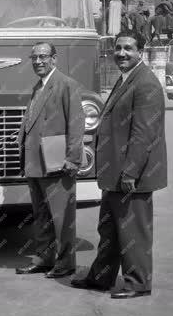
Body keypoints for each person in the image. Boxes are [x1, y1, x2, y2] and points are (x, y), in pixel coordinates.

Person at [72, 33, 167, 299]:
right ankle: (101, 277)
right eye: (118, 48)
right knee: (110, 229)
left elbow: (144, 134)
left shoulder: (145, 83)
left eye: (128, 49)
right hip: (115, 173)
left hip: (130, 175)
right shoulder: (128, 79)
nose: (122, 53)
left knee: (133, 231)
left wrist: (131, 172)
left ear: (141, 51)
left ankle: (138, 283)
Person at [15, 42, 85, 279]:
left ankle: (66, 264)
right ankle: (45, 259)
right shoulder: (39, 86)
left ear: (54, 58)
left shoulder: (67, 85)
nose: (38, 61)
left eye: (43, 56)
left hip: (57, 163)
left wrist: (73, 159)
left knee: (62, 218)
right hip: (35, 163)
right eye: (33, 57)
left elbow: (76, 123)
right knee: (42, 217)